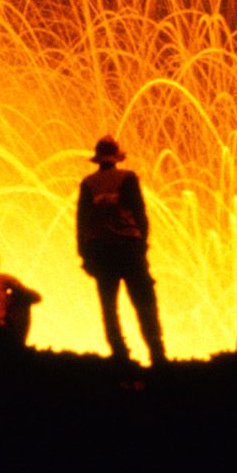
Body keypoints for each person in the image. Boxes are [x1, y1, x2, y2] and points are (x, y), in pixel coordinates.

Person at [76, 136, 166, 366]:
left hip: (101, 252)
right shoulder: (128, 178)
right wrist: (143, 243)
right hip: (129, 248)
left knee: (108, 306)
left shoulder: (88, 184)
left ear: (98, 159)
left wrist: (84, 254)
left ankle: (119, 353)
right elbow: (140, 212)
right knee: (144, 300)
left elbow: (81, 222)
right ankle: (156, 351)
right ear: (116, 157)